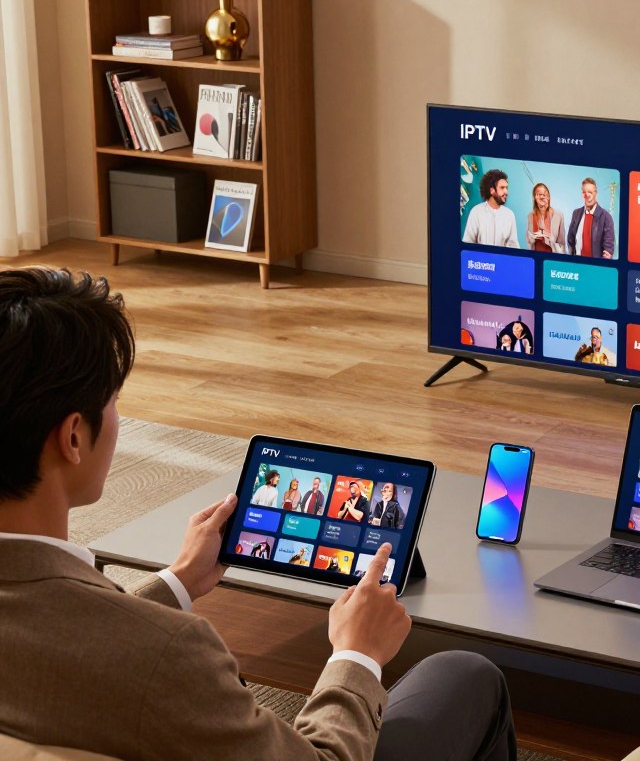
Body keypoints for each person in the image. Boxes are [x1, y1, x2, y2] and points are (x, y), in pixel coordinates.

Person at [0, 267, 516, 760]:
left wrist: (176, 582)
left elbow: (73, 637)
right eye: (113, 401)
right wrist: (356, 655)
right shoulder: (170, 654)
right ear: (73, 437)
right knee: (467, 674)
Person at [462, 169, 520, 248]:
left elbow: (514, 247)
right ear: (492, 190)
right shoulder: (476, 212)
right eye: (502, 188)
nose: (506, 192)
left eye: (507, 188)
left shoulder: (509, 215)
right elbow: (467, 243)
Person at [567, 177, 615, 258]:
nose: (587, 195)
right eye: (584, 192)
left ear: (596, 193)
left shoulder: (606, 217)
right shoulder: (576, 213)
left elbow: (608, 247)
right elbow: (570, 239)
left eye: (590, 192)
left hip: (595, 267)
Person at [525, 182, 567, 253]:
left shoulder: (558, 216)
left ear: (549, 197)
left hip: (552, 260)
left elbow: (562, 246)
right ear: (535, 198)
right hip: (536, 258)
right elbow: (529, 243)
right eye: (539, 195)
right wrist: (532, 239)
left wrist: (547, 240)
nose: (542, 197)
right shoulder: (530, 216)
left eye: (544, 195)